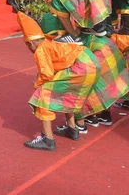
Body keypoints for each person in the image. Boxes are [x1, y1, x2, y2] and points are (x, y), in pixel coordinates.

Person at [17, 12, 100, 151]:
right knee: (67, 93)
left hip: (82, 66)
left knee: (43, 94)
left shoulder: (40, 49)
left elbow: (47, 74)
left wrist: (37, 83)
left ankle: (47, 139)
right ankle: (72, 128)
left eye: (28, 46)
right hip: (91, 62)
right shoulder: (49, 43)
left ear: (30, 43)